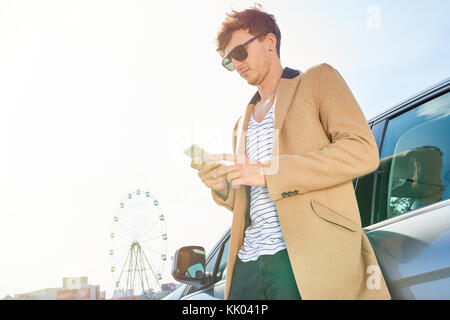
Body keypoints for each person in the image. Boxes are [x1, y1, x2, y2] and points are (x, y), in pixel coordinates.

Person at [191, 5, 391, 300]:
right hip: (247, 266)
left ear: (269, 42)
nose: (236, 65)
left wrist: (269, 171)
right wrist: (223, 187)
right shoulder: (239, 125)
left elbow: (362, 151)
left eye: (240, 53)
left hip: (303, 260)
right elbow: (251, 200)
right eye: (229, 62)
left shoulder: (317, 80)